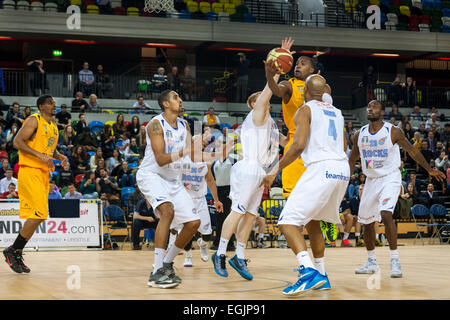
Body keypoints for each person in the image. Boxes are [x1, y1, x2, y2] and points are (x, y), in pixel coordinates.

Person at [261, 74, 349, 295]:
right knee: (313, 223)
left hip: (321, 168)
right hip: (342, 170)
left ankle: (308, 271)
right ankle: (322, 273)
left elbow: (299, 146)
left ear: (305, 92)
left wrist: (275, 169)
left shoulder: (305, 109)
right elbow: (344, 145)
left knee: (287, 221)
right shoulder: (337, 113)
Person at [348, 100, 445, 279]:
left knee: (386, 213)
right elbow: (352, 158)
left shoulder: (393, 131)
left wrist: (430, 170)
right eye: (368, 106)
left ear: (382, 112)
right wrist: (344, 177)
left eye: (375, 106)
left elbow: (413, 151)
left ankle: (394, 260)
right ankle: (371, 262)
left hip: (390, 178)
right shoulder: (359, 134)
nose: (370, 108)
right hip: (371, 180)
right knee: (367, 223)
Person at [136, 89, 223, 288]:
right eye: (176, 97)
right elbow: (160, 159)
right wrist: (189, 148)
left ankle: (167, 264)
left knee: (193, 223)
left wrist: (211, 151)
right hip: (151, 175)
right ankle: (157, 269)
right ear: (166, 104)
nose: (180, 100)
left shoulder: (184, 124)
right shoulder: (156, 124)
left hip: (173, 180)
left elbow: (191, 157)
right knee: (167, 211)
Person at [211, 69, 280, 281]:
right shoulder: (256, 115)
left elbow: (286, 144)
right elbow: (270, 90)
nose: (264, 99)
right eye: (260, 98)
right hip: (248, 167)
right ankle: (220, 253)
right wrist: (276, 72)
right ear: (254, 104)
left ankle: (239, 256)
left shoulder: (271, 123)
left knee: (250, 215)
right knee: (238, 212)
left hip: (259, 170)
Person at [3, 95, 67, 274]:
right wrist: (40, 156)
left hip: (43, 174)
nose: (54, 105)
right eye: (49, 103)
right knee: (39, 213)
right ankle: (13, 250)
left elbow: (48, 149)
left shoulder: (54, 127)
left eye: (54, 103)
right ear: (41, 106)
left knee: (39, 215)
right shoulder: (34, 120)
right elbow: (17, 142)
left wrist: (58, 156)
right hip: (29, 171)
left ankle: (15, 251)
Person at [266, 37, 316, 198]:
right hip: (296, 148)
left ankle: (334, 224)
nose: (298, 66)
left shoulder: (320, 89)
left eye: (303, 63)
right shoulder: (289, 85)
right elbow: (275, 90)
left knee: (319, 205)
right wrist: (270, 73)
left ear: (312, 71)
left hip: (318, 148)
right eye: (296, 63)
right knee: (295, 202)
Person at [181, 158, 224, 267]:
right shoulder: (181, 159)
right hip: (185, 199)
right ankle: (188, 255)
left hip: (200, 199)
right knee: (187, 231)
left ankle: (203, 244)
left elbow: (210, 180)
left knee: (207, 234)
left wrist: (216, 200)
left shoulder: (206, 161)